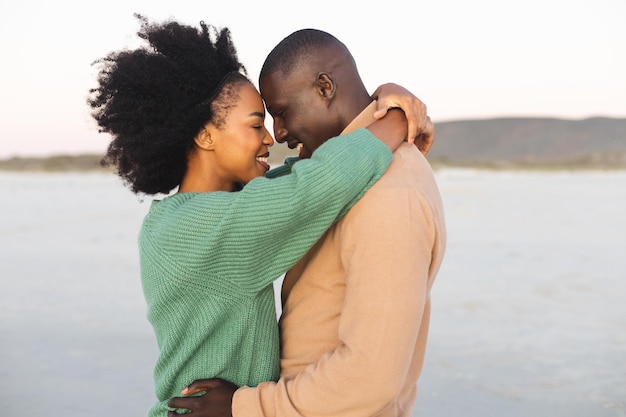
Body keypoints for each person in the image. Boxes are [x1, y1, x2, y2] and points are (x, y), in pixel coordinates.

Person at [88, 16, 431, 417]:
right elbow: (320, 182)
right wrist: (394, 116)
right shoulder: (203, 228)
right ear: (205, 136)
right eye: (257, 124)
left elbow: (303, 175)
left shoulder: (194, 215)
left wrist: (386, 97)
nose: (272, 137)